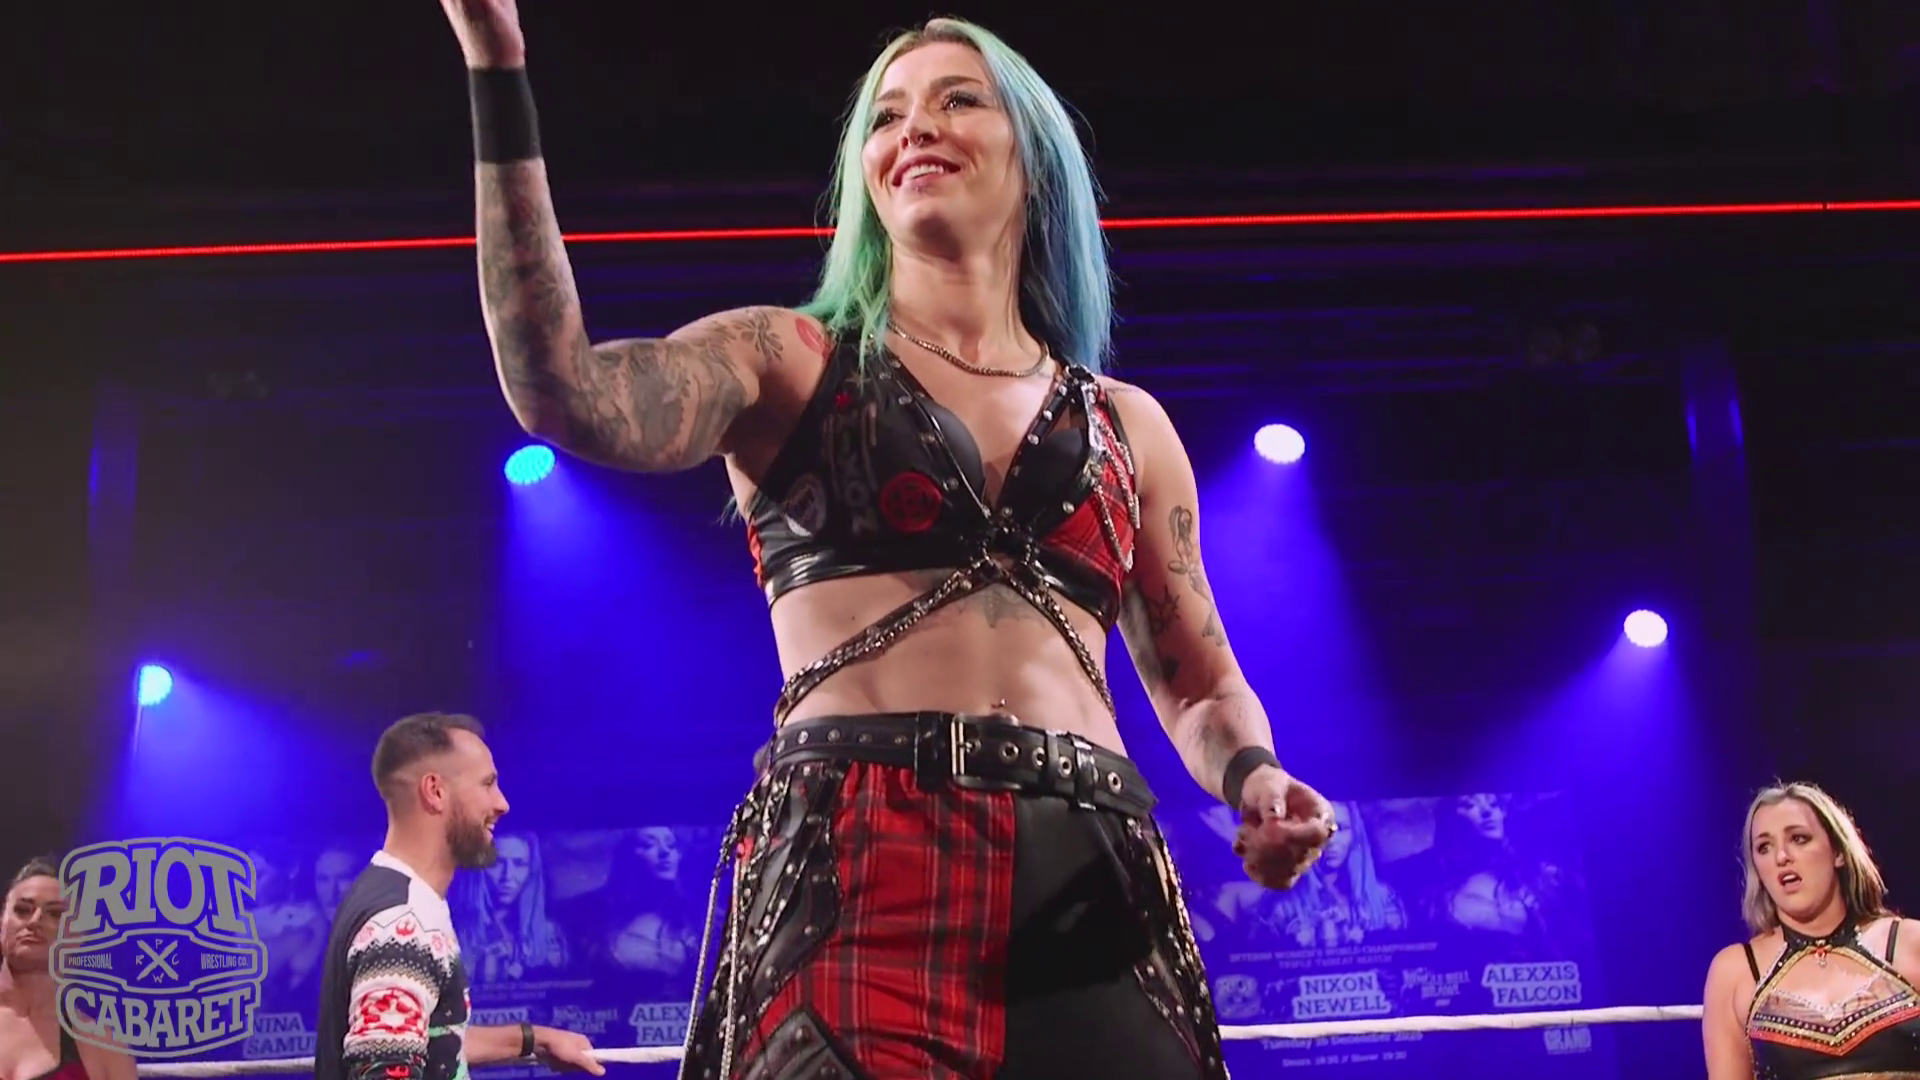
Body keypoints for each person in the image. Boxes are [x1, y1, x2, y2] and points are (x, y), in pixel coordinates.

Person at [434, 5, 1337, 1076]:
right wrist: (498, 68)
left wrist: (1255, 779)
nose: (915, 128)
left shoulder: (1126, 424)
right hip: (864, 861)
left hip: (1094, 866)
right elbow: (565, 391)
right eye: (887, 115)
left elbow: (1197, 683)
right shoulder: (790, 362)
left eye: (957, 99)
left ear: (1033, 159)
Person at [313, 713, 605, 1080]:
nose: (502, 803)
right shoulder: (403, 922)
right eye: (487, 784)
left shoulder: (397, 896)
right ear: (435, 791)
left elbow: (429, 1041)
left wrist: (535, 1039)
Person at [1700, 782, 1920, 1079]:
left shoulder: (1909, 944)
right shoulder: (1736, 972)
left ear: (1838, 851)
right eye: (1764, 847)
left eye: (1799, 839)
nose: (1781, 857)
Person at [0, 860, 136, 1080]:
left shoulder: (103, 1046)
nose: (35, 921)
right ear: (2, 925)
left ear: (76, 938)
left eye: (55, 914)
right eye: (23, 910)